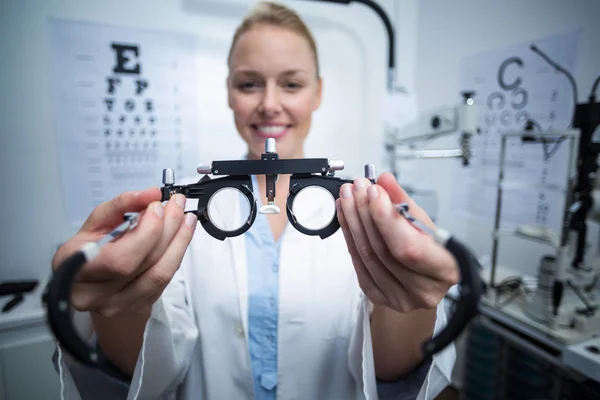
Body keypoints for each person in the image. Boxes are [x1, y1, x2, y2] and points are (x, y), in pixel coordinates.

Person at [51, 2, 458, 399]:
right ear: (229, 93)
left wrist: (413, 300)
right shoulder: (184, 208)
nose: (269, 103)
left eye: (292, 84)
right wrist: (115, 304)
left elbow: (392, 376)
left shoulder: (364, 208)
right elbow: (148, 370)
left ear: (318, 93)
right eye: (249, 83)